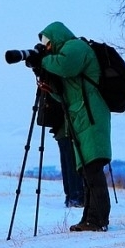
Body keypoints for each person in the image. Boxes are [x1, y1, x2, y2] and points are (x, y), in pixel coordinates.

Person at [26, 21, 112, 232]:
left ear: (55, 39)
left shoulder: (75, 47)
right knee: (86, 169)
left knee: (92, 168)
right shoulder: (61, 55)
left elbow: (65, 66)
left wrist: (42, 60)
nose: (45, 49)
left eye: (47, 44)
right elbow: (63, 94)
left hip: (91, 115)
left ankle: (98, 219)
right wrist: (47, 82)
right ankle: (90, 218)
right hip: (80, 117)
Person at [37, 93, 84, 208]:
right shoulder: (61, 80)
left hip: (61, 127)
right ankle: (76, 196)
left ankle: (71, 196)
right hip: (67, 127)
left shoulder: (49, 80)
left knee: (67, 161)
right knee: (72, 161)